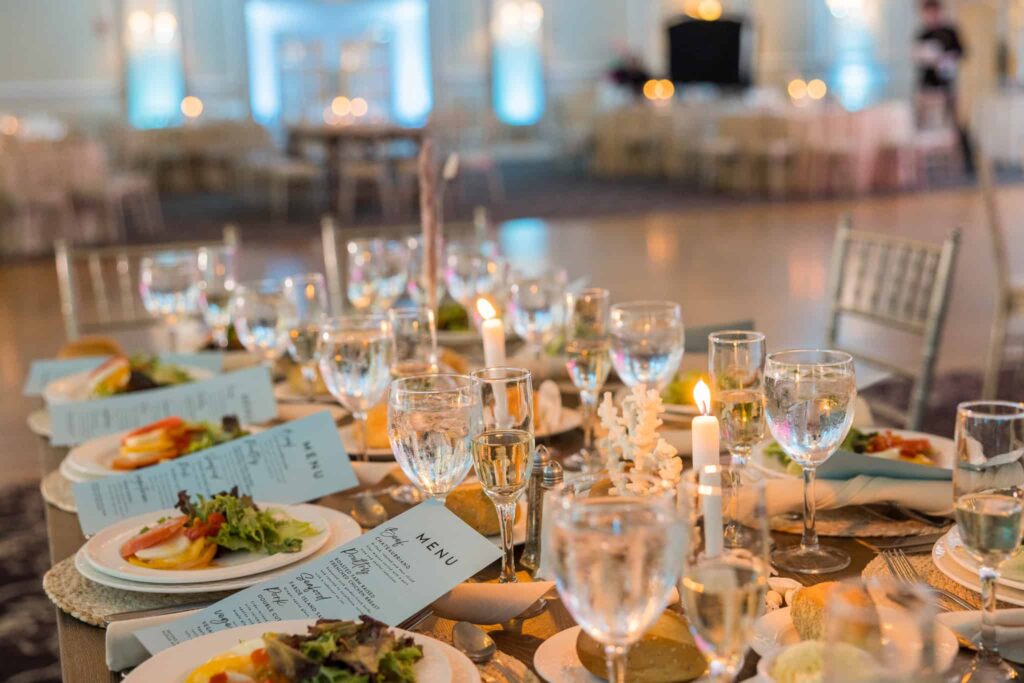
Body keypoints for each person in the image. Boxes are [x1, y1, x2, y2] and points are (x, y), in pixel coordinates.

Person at [914, 0, 973, 174]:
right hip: (927, 84)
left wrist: (946, 58)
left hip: (947, 84)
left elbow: (963, 53)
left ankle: (967, 161)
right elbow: (918, 58)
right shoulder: (922, 34)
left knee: (956, 121)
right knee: (922, 122)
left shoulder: (949, 32)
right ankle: (921, 165)